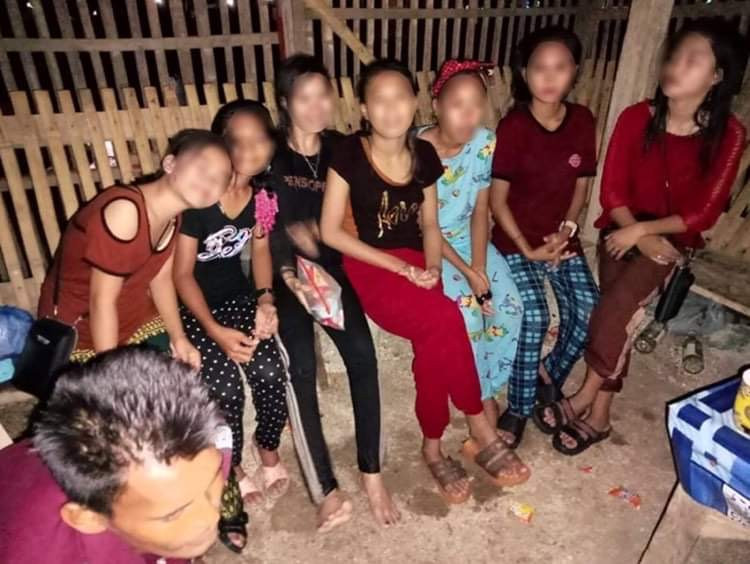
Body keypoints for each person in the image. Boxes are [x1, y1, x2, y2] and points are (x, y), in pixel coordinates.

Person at [321, 58, 530, 505]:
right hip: (371, 267)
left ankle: (433, 447)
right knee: (447, 321)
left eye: (400, 97)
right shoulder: (349, 154)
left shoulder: (424, 156)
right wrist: (401, 269)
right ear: (364, 109)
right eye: (380, 100)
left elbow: (431, 225)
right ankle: (478, 423)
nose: (391, 108)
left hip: (419, 262)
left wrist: (433, 269)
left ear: (415, 103)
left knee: (434, 340)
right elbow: (331, 232)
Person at [537, 19, 747, 455]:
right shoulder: (637, 117)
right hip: (620, 227)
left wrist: (644, 231)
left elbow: (704, 213)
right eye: (676, 56)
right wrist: (631, 229)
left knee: (615, 311)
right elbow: (612, 191)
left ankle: (585, 397)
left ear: (717, 76)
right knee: (621, 316)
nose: (676, 65)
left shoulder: (728, 134)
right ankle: (600, 418)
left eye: (692, 60)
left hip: (670, 238)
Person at [269, 54, 397, 530]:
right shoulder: (270, 154)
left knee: (363, 355)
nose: (317, 106)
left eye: (323, 95)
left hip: (333, 271)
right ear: (286, 103)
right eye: (304, 97)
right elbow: (260, 222)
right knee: (299, 365)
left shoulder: (343, 148)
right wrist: (287, 264)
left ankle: (372, 474)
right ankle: (324, 489)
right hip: (284, 275)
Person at [173, 100, 289, 551]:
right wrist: (214, 331)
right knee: (225, 387)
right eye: (237, 140)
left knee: (270, 369)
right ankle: (233, 464)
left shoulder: (263, 196)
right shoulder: (202, 197)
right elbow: (182, 275)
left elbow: (259, 251)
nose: (249, 149)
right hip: (193, 307)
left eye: (259, 139)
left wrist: (265, 299)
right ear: (220, 143)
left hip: (236, 297)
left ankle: (268, 446)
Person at [0, 347, 233, 563]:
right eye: (173, 515)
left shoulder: (197, 439)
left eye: (211, 484)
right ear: (89, 519)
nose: (211, 517)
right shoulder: (36, 554)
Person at [37, 129, 233, 368]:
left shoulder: (173, 218)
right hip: (81, 332)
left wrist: (179, 338)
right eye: (203, 168)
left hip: (134, 318)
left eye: (220, 179)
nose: (210, 181)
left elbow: (161, 280)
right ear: (170, 164)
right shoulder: (125, 211)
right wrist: (112, 371)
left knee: (194, 369)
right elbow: (101, 302)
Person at [490, 27, 600, 448]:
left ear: (575, 71)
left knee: (589, 310)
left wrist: (567, 231)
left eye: (560, 67)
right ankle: (519, 406)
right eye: (539, 67)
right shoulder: (514, 126)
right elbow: (497, 201)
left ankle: (548, 374)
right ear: (524, 72)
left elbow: (581, 186)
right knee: (534, 316)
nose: (549, 77)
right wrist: (530, 249)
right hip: (515, 241)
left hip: (560, 237)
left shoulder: (582, 120)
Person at [418, 59, 523, 432]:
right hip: (429, 244)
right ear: (436, 106)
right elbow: (426, 224)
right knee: (469, 313)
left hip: (469, 237)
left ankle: (487, 383)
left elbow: (481, 210)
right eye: (457, 104)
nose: (468, 115)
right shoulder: (416, 149)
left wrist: (479, 269)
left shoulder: (484, 141)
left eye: (477, 104)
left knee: (510, 308)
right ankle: (478, 400)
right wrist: (468, 276)